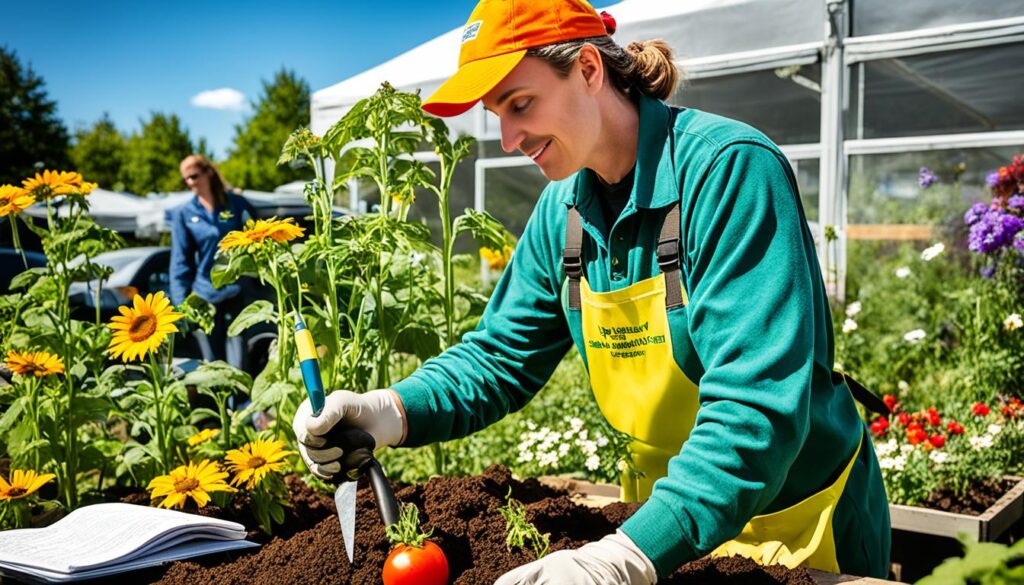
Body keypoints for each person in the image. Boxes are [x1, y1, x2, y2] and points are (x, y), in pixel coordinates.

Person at [293, 1, 890, 583]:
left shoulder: (728, 171)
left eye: (521, 104)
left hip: (794, 525)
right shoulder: (565, 210)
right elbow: (501, 354)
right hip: (662, 526)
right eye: (497, 114)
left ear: (587, 68)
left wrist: (622, 557)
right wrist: (389, 412)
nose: (508, 138)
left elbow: (755, 411)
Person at [170, 154, 257, 369]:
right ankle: (220, 400)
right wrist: (181, 305)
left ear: (208, 172)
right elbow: (181, 261)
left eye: (193, 176)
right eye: (185, 179)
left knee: (238, 350)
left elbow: (259, 235)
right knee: (213, 357)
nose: (190, 183)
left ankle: (241, 401)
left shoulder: (235, 204)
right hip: (206, 294)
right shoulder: (185, 213)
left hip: (237, 289)